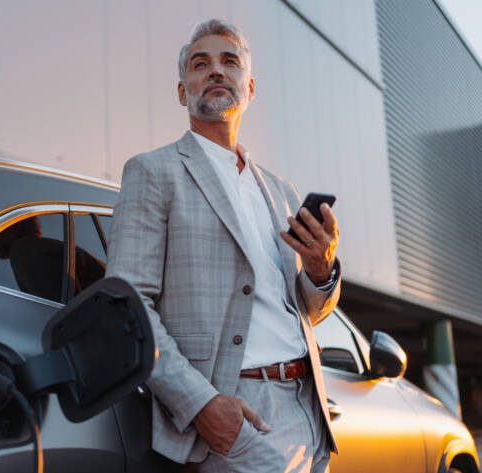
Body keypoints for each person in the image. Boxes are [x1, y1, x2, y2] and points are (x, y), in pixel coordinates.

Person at [105, 19, 341, 473]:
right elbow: (126, 304)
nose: (215, 70)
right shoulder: (154, 172)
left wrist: (319, 269)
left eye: (228, 61)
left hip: (309, 410)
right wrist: (201, 404)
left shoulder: (281, 191)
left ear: (249, 88)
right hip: (237, 414)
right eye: (200, 64)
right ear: (182, 92)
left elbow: (309, 310)